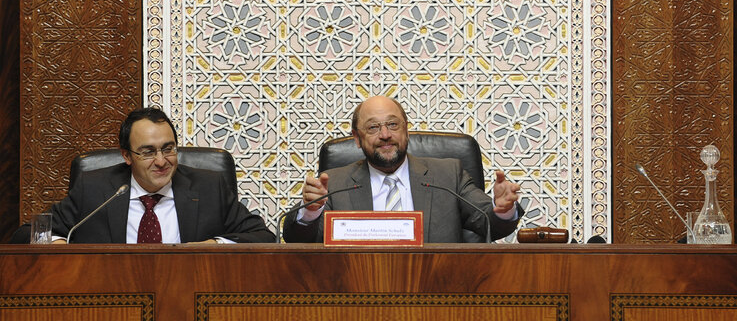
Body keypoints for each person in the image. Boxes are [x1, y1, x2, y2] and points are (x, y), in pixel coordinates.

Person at [282, 95, 522, 243]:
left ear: (406, 129)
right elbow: (297, 239)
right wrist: (311, 212)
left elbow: (488, 223)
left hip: (436, 297)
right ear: (357, 138)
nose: (385, 135)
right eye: (373, 127)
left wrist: (502, 209)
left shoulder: (448, 175)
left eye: (393, 124)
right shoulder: (334, 183)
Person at [16, 107, 274, 244]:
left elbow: (262, 237)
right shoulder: (95, 190)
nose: (162, 161)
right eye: (148, 152)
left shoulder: (208, 187)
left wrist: (212, 246)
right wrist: (58, 244)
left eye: (169, 148)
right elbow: (26, 234)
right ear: (126, 156)